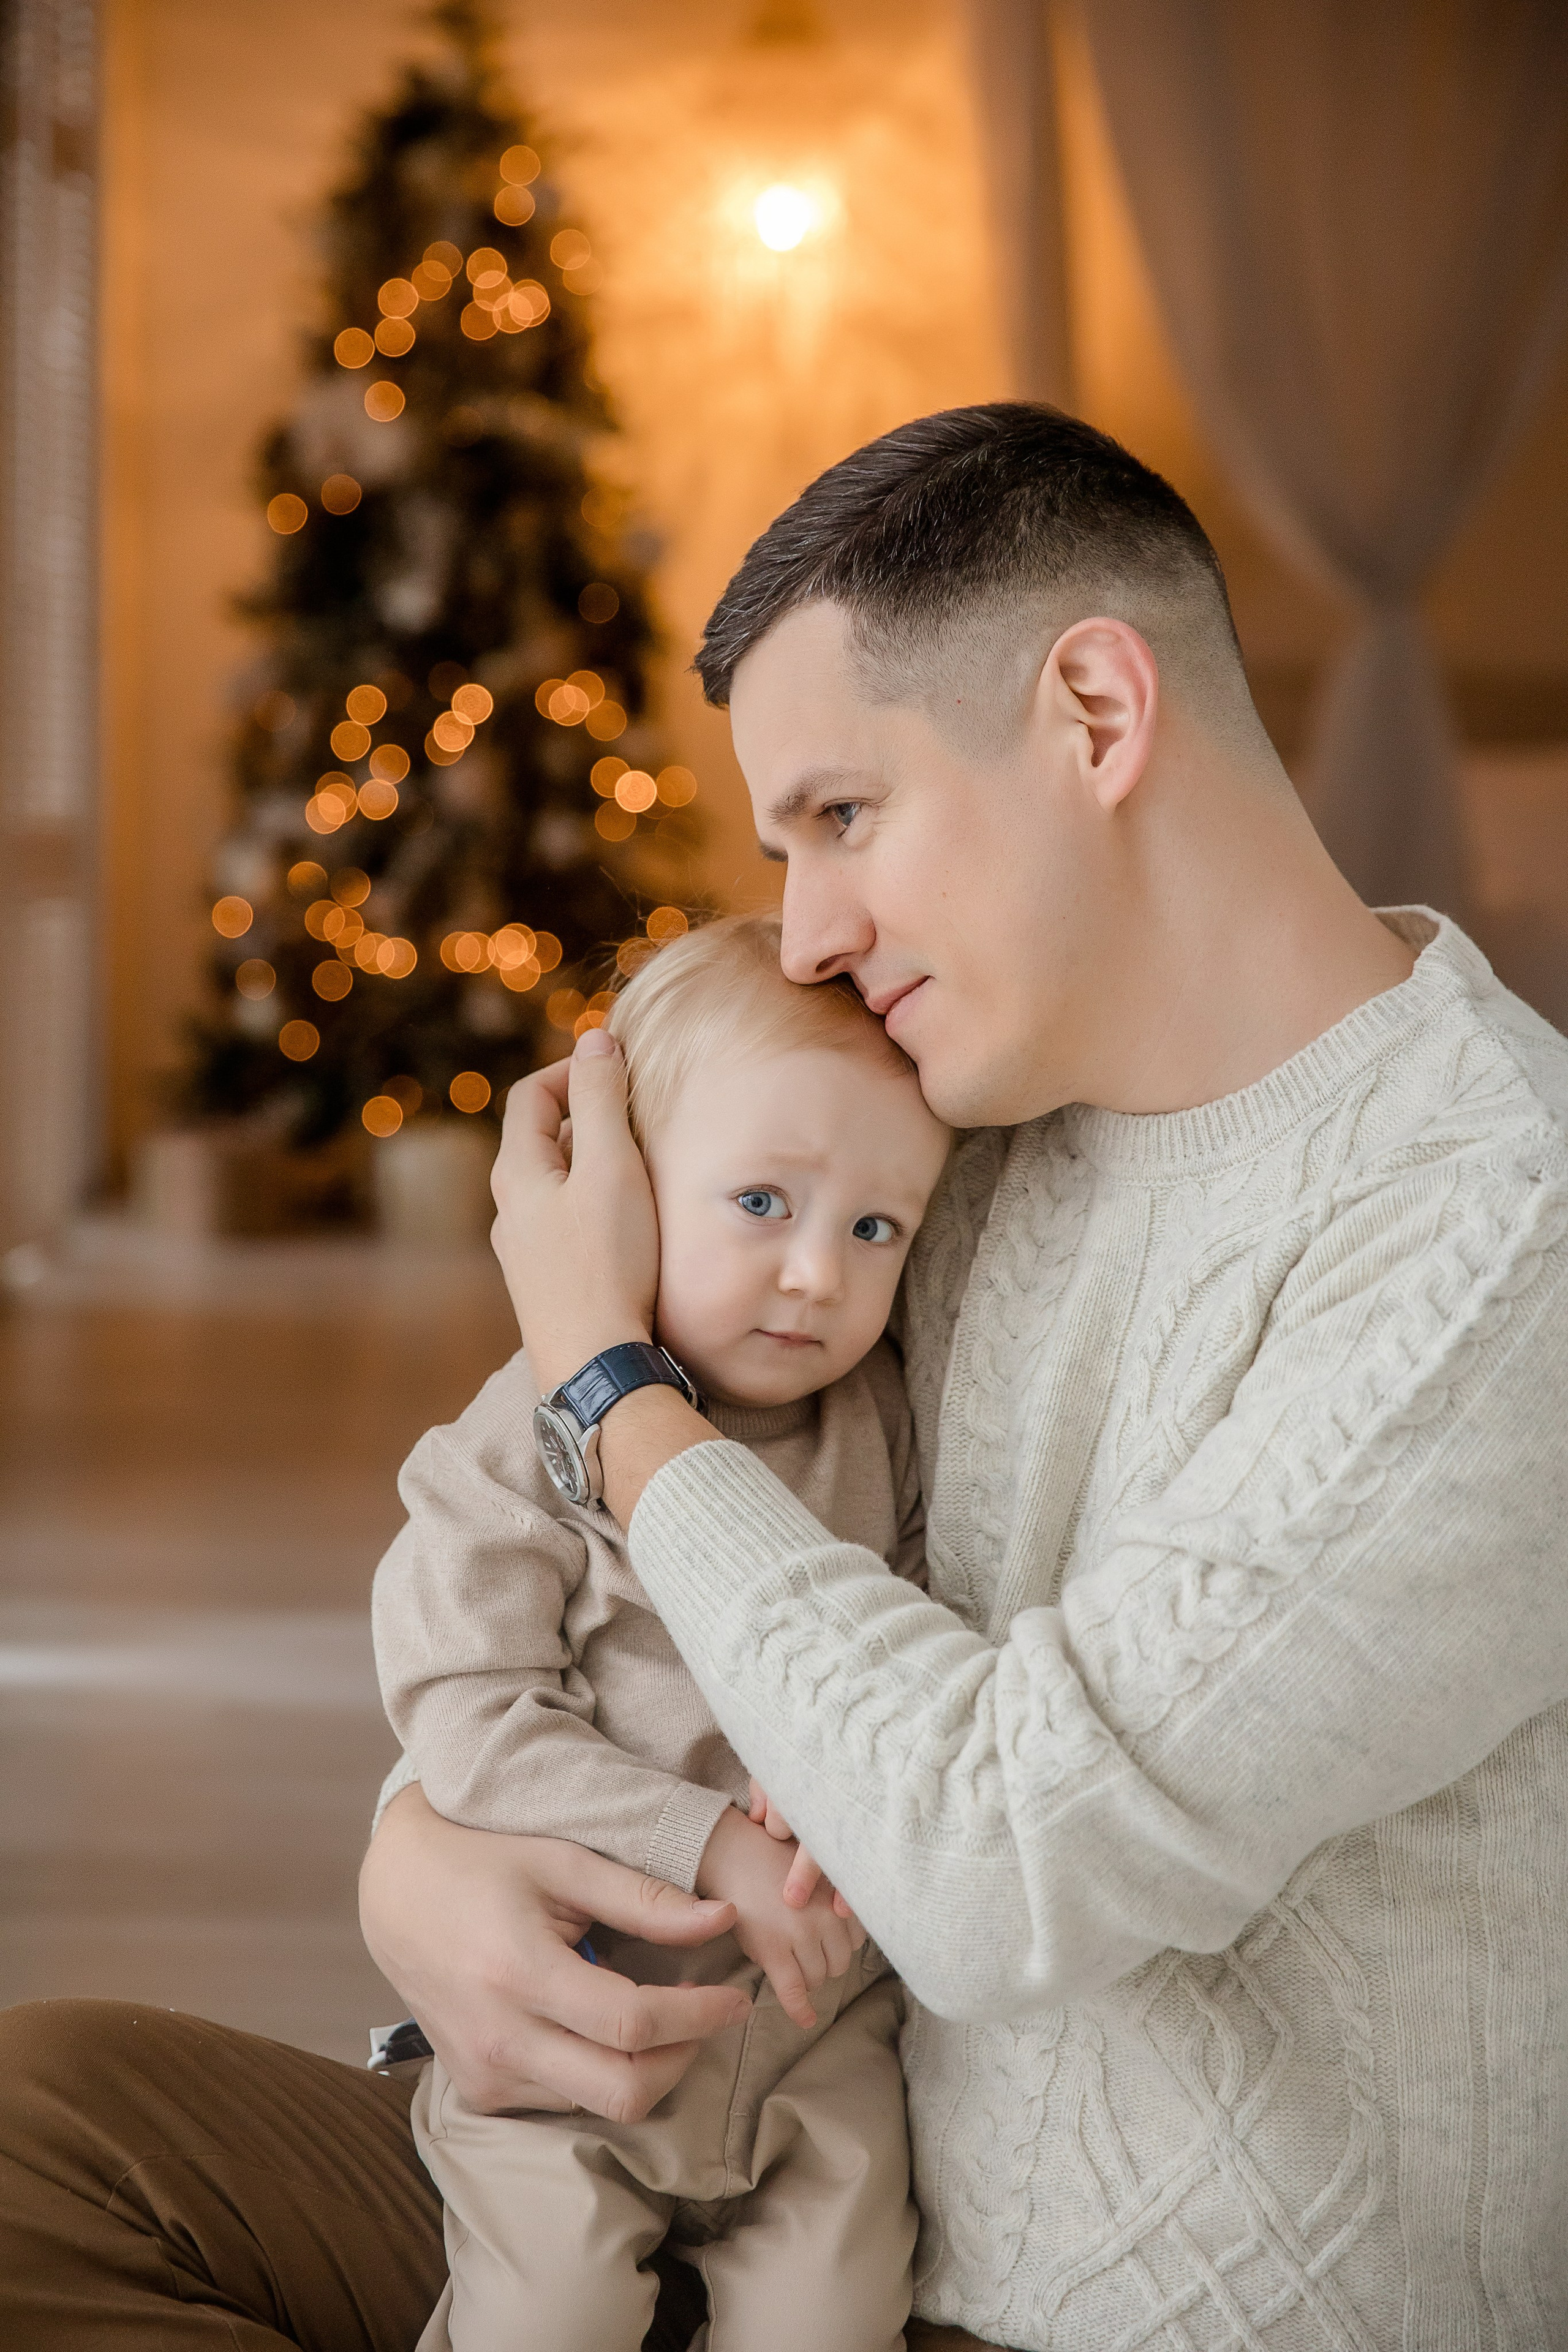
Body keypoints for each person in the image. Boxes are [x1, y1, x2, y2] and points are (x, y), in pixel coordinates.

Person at [2, 401, 1566, 2351]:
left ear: (1094, 713)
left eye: (844, 814)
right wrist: (425, 1847)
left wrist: (606, 1384)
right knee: (40, 2140)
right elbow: (667, 1612)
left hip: (1038, 2302)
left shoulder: (1499, 1232)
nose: (806, 928)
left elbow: (1002, 1859)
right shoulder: (960, 1132)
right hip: (746, 2155)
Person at [372, 911, 948, 2351]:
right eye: (762, 1201)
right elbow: (465, 1718)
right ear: (619, 1191)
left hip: (817, 2044)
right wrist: (710, 1847)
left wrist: (839, 1783)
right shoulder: (519, 1441)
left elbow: (934, 1657)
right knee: (548, 2312)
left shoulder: (885, 1427)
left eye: (873, 1227)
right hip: (570, 2037)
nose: (818, 1273)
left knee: (832, 2319)